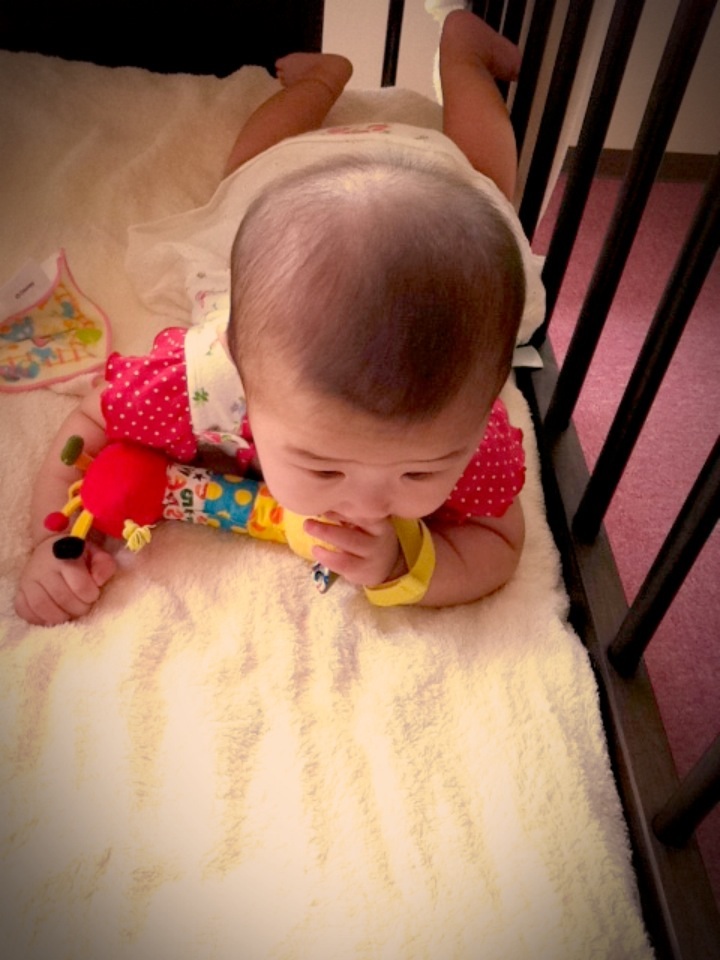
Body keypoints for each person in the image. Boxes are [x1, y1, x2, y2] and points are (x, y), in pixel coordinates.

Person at [15, 10, 533, 625]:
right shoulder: (199, 381)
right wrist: (53, 541)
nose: (369, 505)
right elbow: (91, 419)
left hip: (443, 181)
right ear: (243, 380)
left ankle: (461, 54)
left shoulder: (467, 433)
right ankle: (320, 82)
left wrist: (401, 564)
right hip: (292, 176)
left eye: (419, 473)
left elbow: (501, 544)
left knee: (487, 183)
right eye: (324, 467)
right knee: (252, 167)